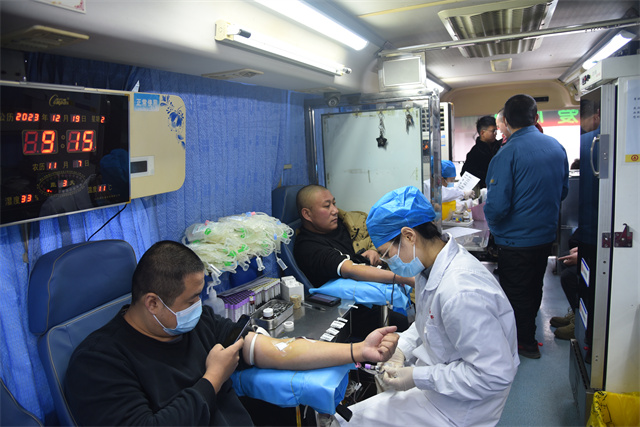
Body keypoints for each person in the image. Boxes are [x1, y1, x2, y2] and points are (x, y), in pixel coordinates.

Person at [65, 240, 399, 426]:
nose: (199, 307)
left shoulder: (198, 324)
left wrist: (357, 351)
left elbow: (274, 350)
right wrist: (212, 379)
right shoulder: (99, 362)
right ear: (152, 302)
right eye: (191, 300)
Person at [332, 186, 518, 427]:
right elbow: (430, 322)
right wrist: (402, 348)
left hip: (461, 408)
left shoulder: (461, 292)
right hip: (442, 383)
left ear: (409, 236)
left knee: (347, 422)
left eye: (387, 253)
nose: (388, 262)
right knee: (351, 419)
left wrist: (417, 377)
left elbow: (493, 375)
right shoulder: (428, 267)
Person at [484, 94, 569, 359]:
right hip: (545, 236)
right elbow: (563, 192)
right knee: (534, 286)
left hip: (515, 241)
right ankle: (528, 334)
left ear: (506, 122)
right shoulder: (556, 147)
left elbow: (497, 206)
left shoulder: (507, 154)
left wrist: (494, 228)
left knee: (516, 292)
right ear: (536, 117)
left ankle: (524, 344)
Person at [293, 184, 415, 289]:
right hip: (359, 300)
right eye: (327, 206)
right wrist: (404, 278)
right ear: (307, 214)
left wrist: (374, 250)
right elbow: (351, 269)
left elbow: (380, 235)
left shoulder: (350, 221)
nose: (335, 210)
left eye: (334, 204)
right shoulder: (308, 247)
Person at [460, 115, 502, 189]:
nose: (495, 133)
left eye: (496, 131)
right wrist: (488, 176)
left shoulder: (499, 146)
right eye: (493, 131)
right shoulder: (475, 152)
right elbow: (465, 173)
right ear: (482, 133)